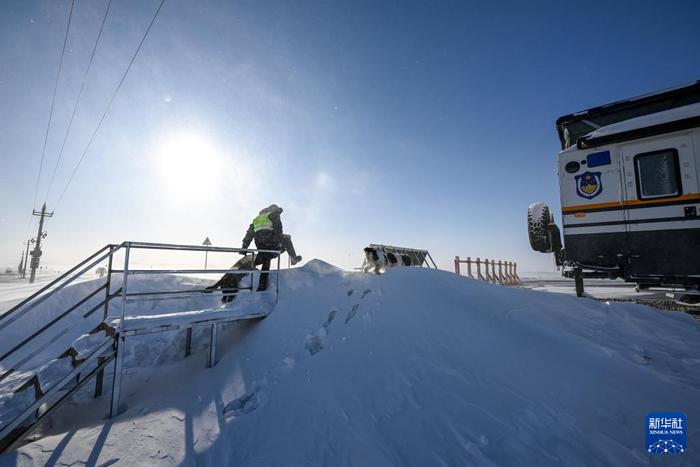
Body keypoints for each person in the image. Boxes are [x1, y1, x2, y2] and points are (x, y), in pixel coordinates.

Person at [241, 204, 302, 291]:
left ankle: (261, 285)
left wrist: (244, 247)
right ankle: (293, 259)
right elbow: (278, 231)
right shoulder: (274, 215)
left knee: (266, 257)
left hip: (261, 246)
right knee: (287, 239)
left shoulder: (257, 219)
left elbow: (249, 234)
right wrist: (279, 243)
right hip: (271, 244)